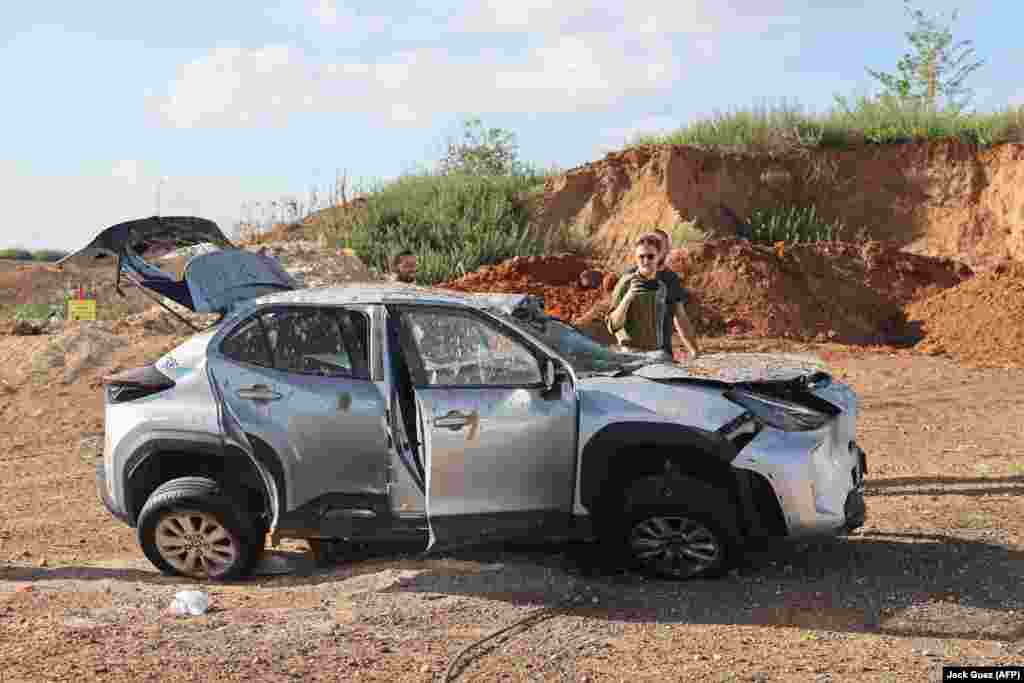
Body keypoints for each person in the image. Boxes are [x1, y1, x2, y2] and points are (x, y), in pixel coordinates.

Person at [607, 232, 700, 359]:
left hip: (660, 354)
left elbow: (680, 317)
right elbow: (612, 325)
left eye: (650, 256)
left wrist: (694, 351)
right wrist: (629, 297)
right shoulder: (627, 281)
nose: (645, 261)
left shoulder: (667, 283)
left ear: (660, 254)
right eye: (641, 257)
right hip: (632, 355)